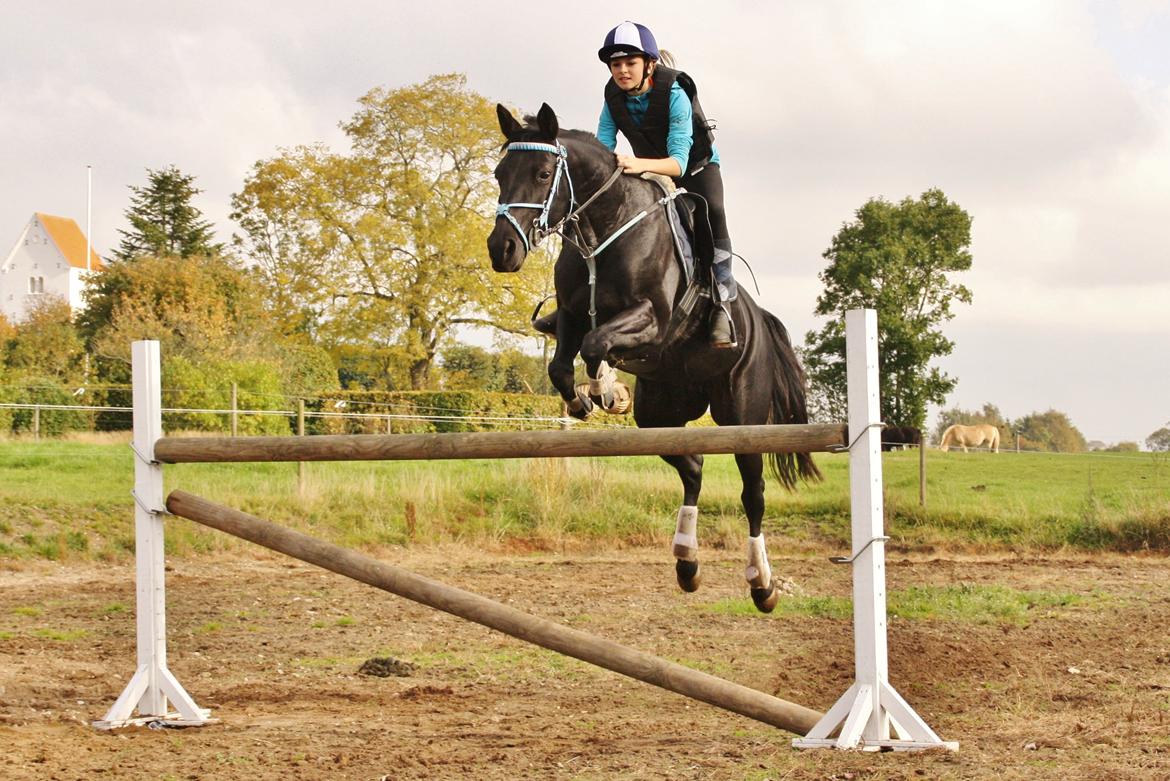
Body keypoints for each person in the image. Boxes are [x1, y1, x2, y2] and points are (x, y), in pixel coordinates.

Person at [596, 20, 738, 348]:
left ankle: (723, 301)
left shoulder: (675, 91)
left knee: (713, 209)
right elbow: (603, 147)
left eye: (630, 63)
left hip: (696, 166)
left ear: (649, 64)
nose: (622, 71)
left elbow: (678, 164)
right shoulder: (612, 96)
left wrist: (637, 165)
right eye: (616, 65)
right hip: (649, 168)